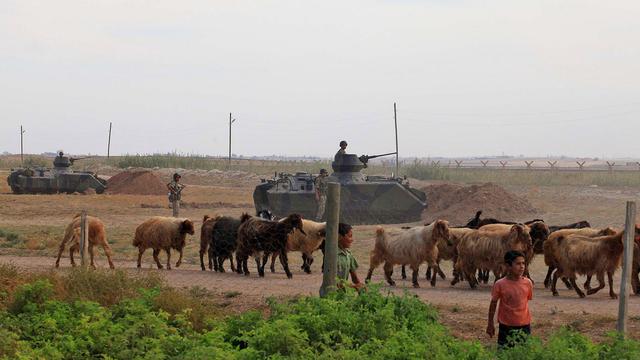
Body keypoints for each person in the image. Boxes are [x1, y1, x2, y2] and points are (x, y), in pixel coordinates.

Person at [486, 250, 533, 348]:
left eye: (523, 263)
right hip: (506, 326)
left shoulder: (528, 283)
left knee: (524, 353)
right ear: (508, 266)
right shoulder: (500, 284)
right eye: (518, 264)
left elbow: (524, 301)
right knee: (505, 352)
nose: (522, 266)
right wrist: (490, 324)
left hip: (524, 325)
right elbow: (493, 303)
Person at [336, 223, 363, 289]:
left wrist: (360, 286)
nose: (352, 240)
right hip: (330, 295)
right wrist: (353, 287)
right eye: (350, 236)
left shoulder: (348, 255)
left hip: (343, 294)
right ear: (339, 237)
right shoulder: (332, 256)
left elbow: (355, 278)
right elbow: (332, 281)